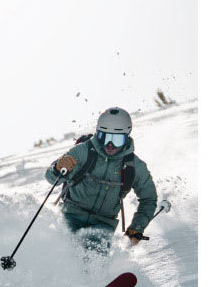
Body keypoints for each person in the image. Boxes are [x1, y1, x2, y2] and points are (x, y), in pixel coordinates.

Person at [46, 107, 157, 253]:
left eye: (116, 140)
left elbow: (149, 198)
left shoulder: (133, 166)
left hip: (102, 225)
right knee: (59, 251)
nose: (109, 145)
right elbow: (50, 177)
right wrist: (57, 168)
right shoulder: (83, 151)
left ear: (126, 137)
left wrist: (137, 226)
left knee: (94, 255)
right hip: (70, 215)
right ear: (98, 134)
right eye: (104, 137)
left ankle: (94, 275)